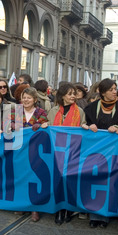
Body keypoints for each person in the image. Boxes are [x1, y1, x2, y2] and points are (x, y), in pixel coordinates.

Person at [82, 78, 118, 228]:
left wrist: (117, 127)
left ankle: (105, 216)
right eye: (111, 89)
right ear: (102, 92)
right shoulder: (90, 108)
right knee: (95, 181)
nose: (115, 92)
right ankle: (94, 214)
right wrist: (88, 126)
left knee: (110, 183)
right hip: (95, 152)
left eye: (115, 89)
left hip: (115, 152)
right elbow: (86, 124)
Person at [40, 83, 86, 225]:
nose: (73, 96)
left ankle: (67, 208)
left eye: (74, 93)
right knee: (57, 180)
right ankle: (59, 209)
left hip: (73, 151)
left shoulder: (80, 111)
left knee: (68, 180)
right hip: (56, 151)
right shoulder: (53, 111)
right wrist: (45, 124)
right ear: (62, 96)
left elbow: (82, 128)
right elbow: (47, 126)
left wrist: (85, 127)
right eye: (70, 93)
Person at [10, 87, 49, 222]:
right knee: (20, 176)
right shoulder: (16, 111)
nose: (26, 100)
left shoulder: (41, 112)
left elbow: (45, 123)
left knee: (34, 177)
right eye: (24, 97)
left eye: (29, 97)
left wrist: (40, 124)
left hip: (35, 151)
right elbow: (7, 122)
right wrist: (12, 124)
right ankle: (22, 205)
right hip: (19, 149)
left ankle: (35, 208)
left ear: (35, 100)